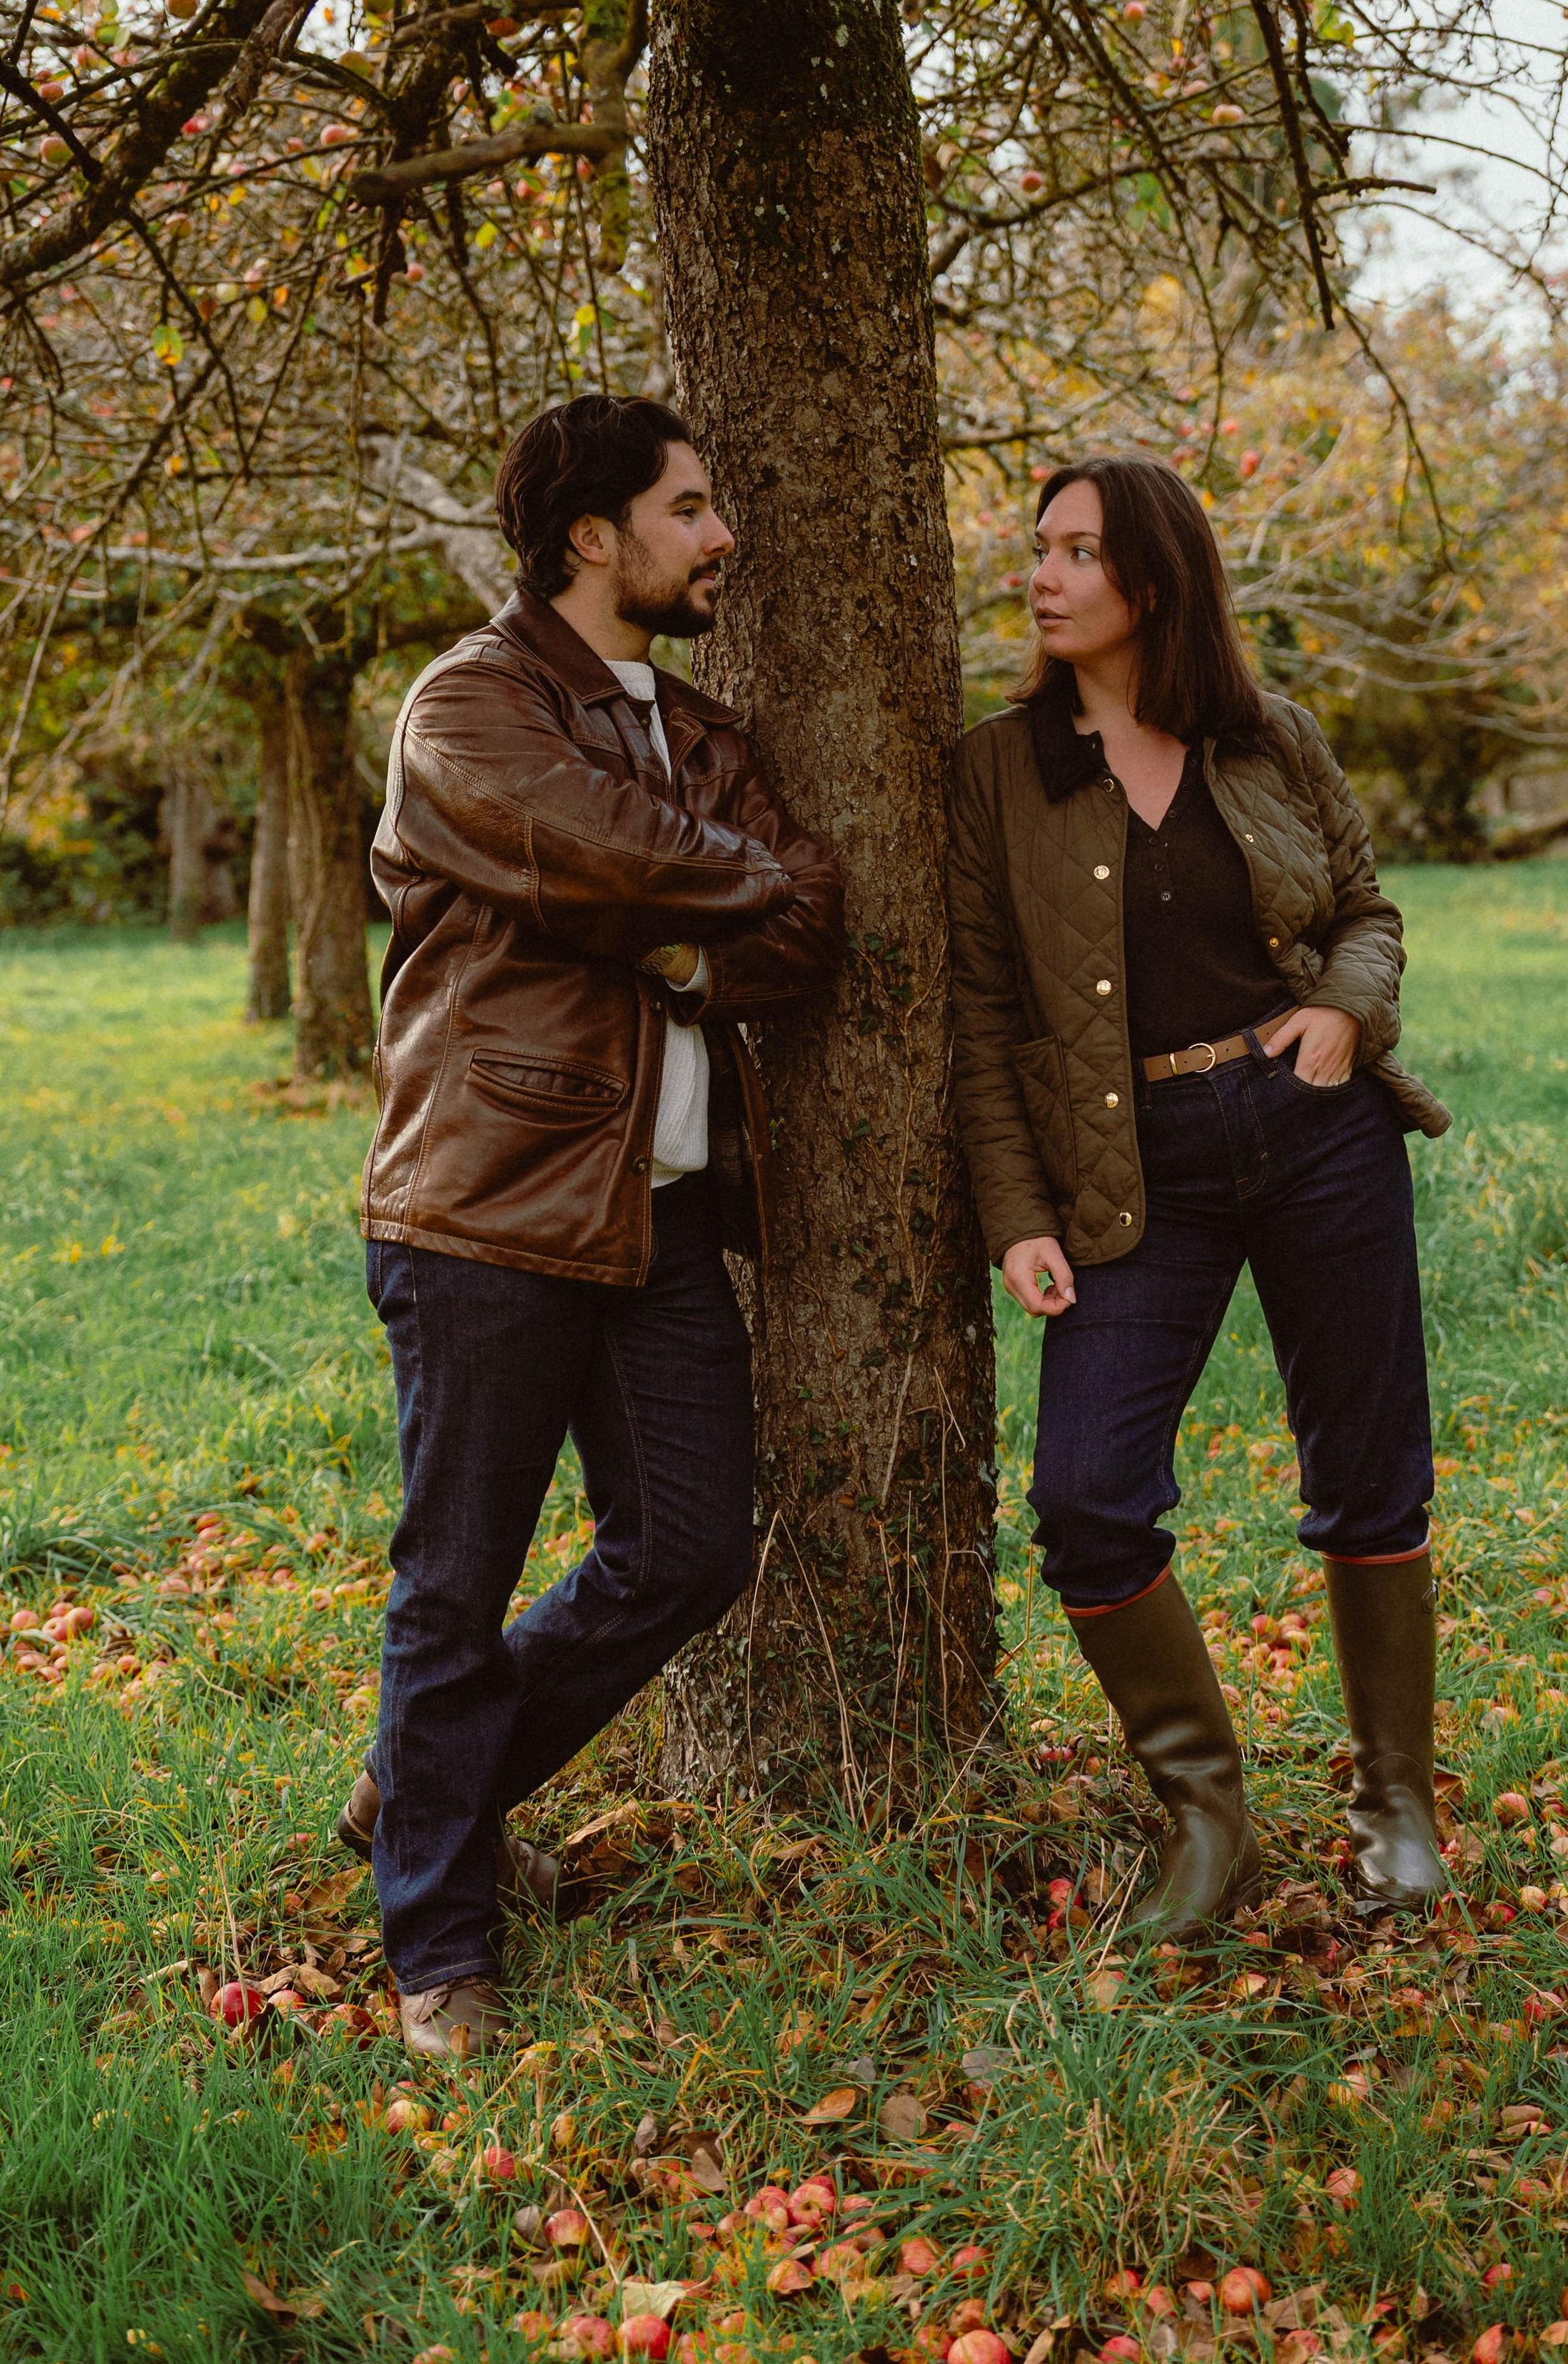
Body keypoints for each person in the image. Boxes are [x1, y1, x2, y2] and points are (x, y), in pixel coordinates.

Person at [340, 395, 844, 2059]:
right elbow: (595, 847)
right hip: (485, 1203)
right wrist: (676, 894)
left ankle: (429, 1781)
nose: (718, 539)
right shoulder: (466, 706)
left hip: (666, 1220)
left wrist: (672, 937)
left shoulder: (701, 733)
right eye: (689, 510)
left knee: (690, 1553)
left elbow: (807, 914)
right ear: (590, 537)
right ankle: (439, 1943)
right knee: (452, 1587)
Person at [946, 455, 1452, 1941]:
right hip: (1129, 1165)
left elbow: (1363, 908)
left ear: (1150, 583)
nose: (1039, 575)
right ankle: (1206, 1823)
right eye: (1036, 548)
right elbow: (980, 1014)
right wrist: (1014, 1213)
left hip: (1311, 1132)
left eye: (1076, 552)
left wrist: (1343, 1019)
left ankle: (1395, 1808)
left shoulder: (1265, 736)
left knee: (1368, 1471)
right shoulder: (993, 770)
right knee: (1085, 1504)